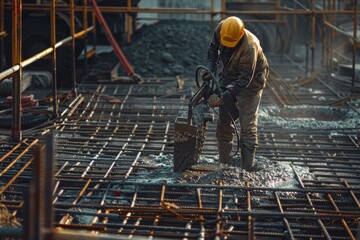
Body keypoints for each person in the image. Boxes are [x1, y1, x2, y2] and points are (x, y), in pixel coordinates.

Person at [205, 16, 269, 172]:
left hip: (251, 83)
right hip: (229, 75)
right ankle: (224, 164)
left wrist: (224, 96)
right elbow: (213, 50)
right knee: (225, 120)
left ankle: (248, 168)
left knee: (247, 126)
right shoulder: (221, 29)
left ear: (240, 35)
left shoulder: (250, 46)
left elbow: (245, 80)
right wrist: (210, 68)